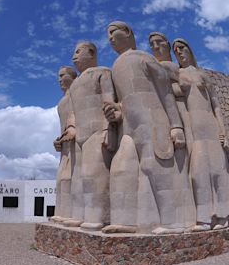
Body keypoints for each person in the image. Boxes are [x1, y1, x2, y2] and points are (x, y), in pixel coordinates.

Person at [102, 21, 195, 234]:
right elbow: (125, 99)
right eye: (107, 35)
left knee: (158, 168)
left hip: (153, 119)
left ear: (127, 32)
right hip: (128, 126)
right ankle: (125, 221)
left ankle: (173, 223)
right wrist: (117, 110)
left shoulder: (143, 57)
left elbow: (165, 92)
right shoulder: (116, 66)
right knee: (121, 167)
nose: (109, 39)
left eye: (112, 32)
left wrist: (176, 126)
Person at [173, 38, 229, 230]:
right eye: (176, 50)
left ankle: (223, 216)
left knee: (219, 171)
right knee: (198, 173)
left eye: (182, 48)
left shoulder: (202, 74)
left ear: (189, 49)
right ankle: (204, 218)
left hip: (210, 126)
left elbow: (216, 106)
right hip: (193, 130)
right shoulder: (177, 74)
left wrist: (223, 131)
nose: (179, 52)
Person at [62, 41, 117, 230]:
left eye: (78, 52)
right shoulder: (75, 85)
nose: (74, 57)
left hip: (97, 131)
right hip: (80, 135)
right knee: (78, 179)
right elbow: (73, 113)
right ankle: (78, 215)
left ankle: (98, 217)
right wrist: (70, 128)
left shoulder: (102, 72)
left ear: (91, 53)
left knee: (94, 174)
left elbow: (109, 100)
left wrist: (108, 128)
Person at [50, 66, 83, 224]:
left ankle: (76, 216)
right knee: (62, 180)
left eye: (62, 75)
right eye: (59, 76)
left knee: (75, 179)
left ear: (72, 76)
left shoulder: (78, 93)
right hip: (66, 145)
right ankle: (63, 213)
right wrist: (60, 140)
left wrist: (73, 129)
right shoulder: (61, 102)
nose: (59, 79)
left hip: (79, 142)